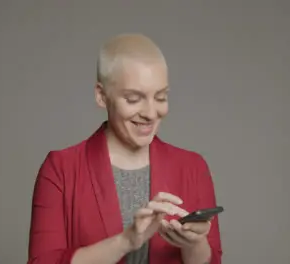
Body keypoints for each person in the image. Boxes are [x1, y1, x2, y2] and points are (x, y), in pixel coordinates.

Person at [27, 33, 223, 264]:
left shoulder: (193, 167)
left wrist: (194, 243)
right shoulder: (61, 169)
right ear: (102, 96)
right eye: (133, 99)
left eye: (160, 97)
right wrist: (126, 241)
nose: (150, 113)